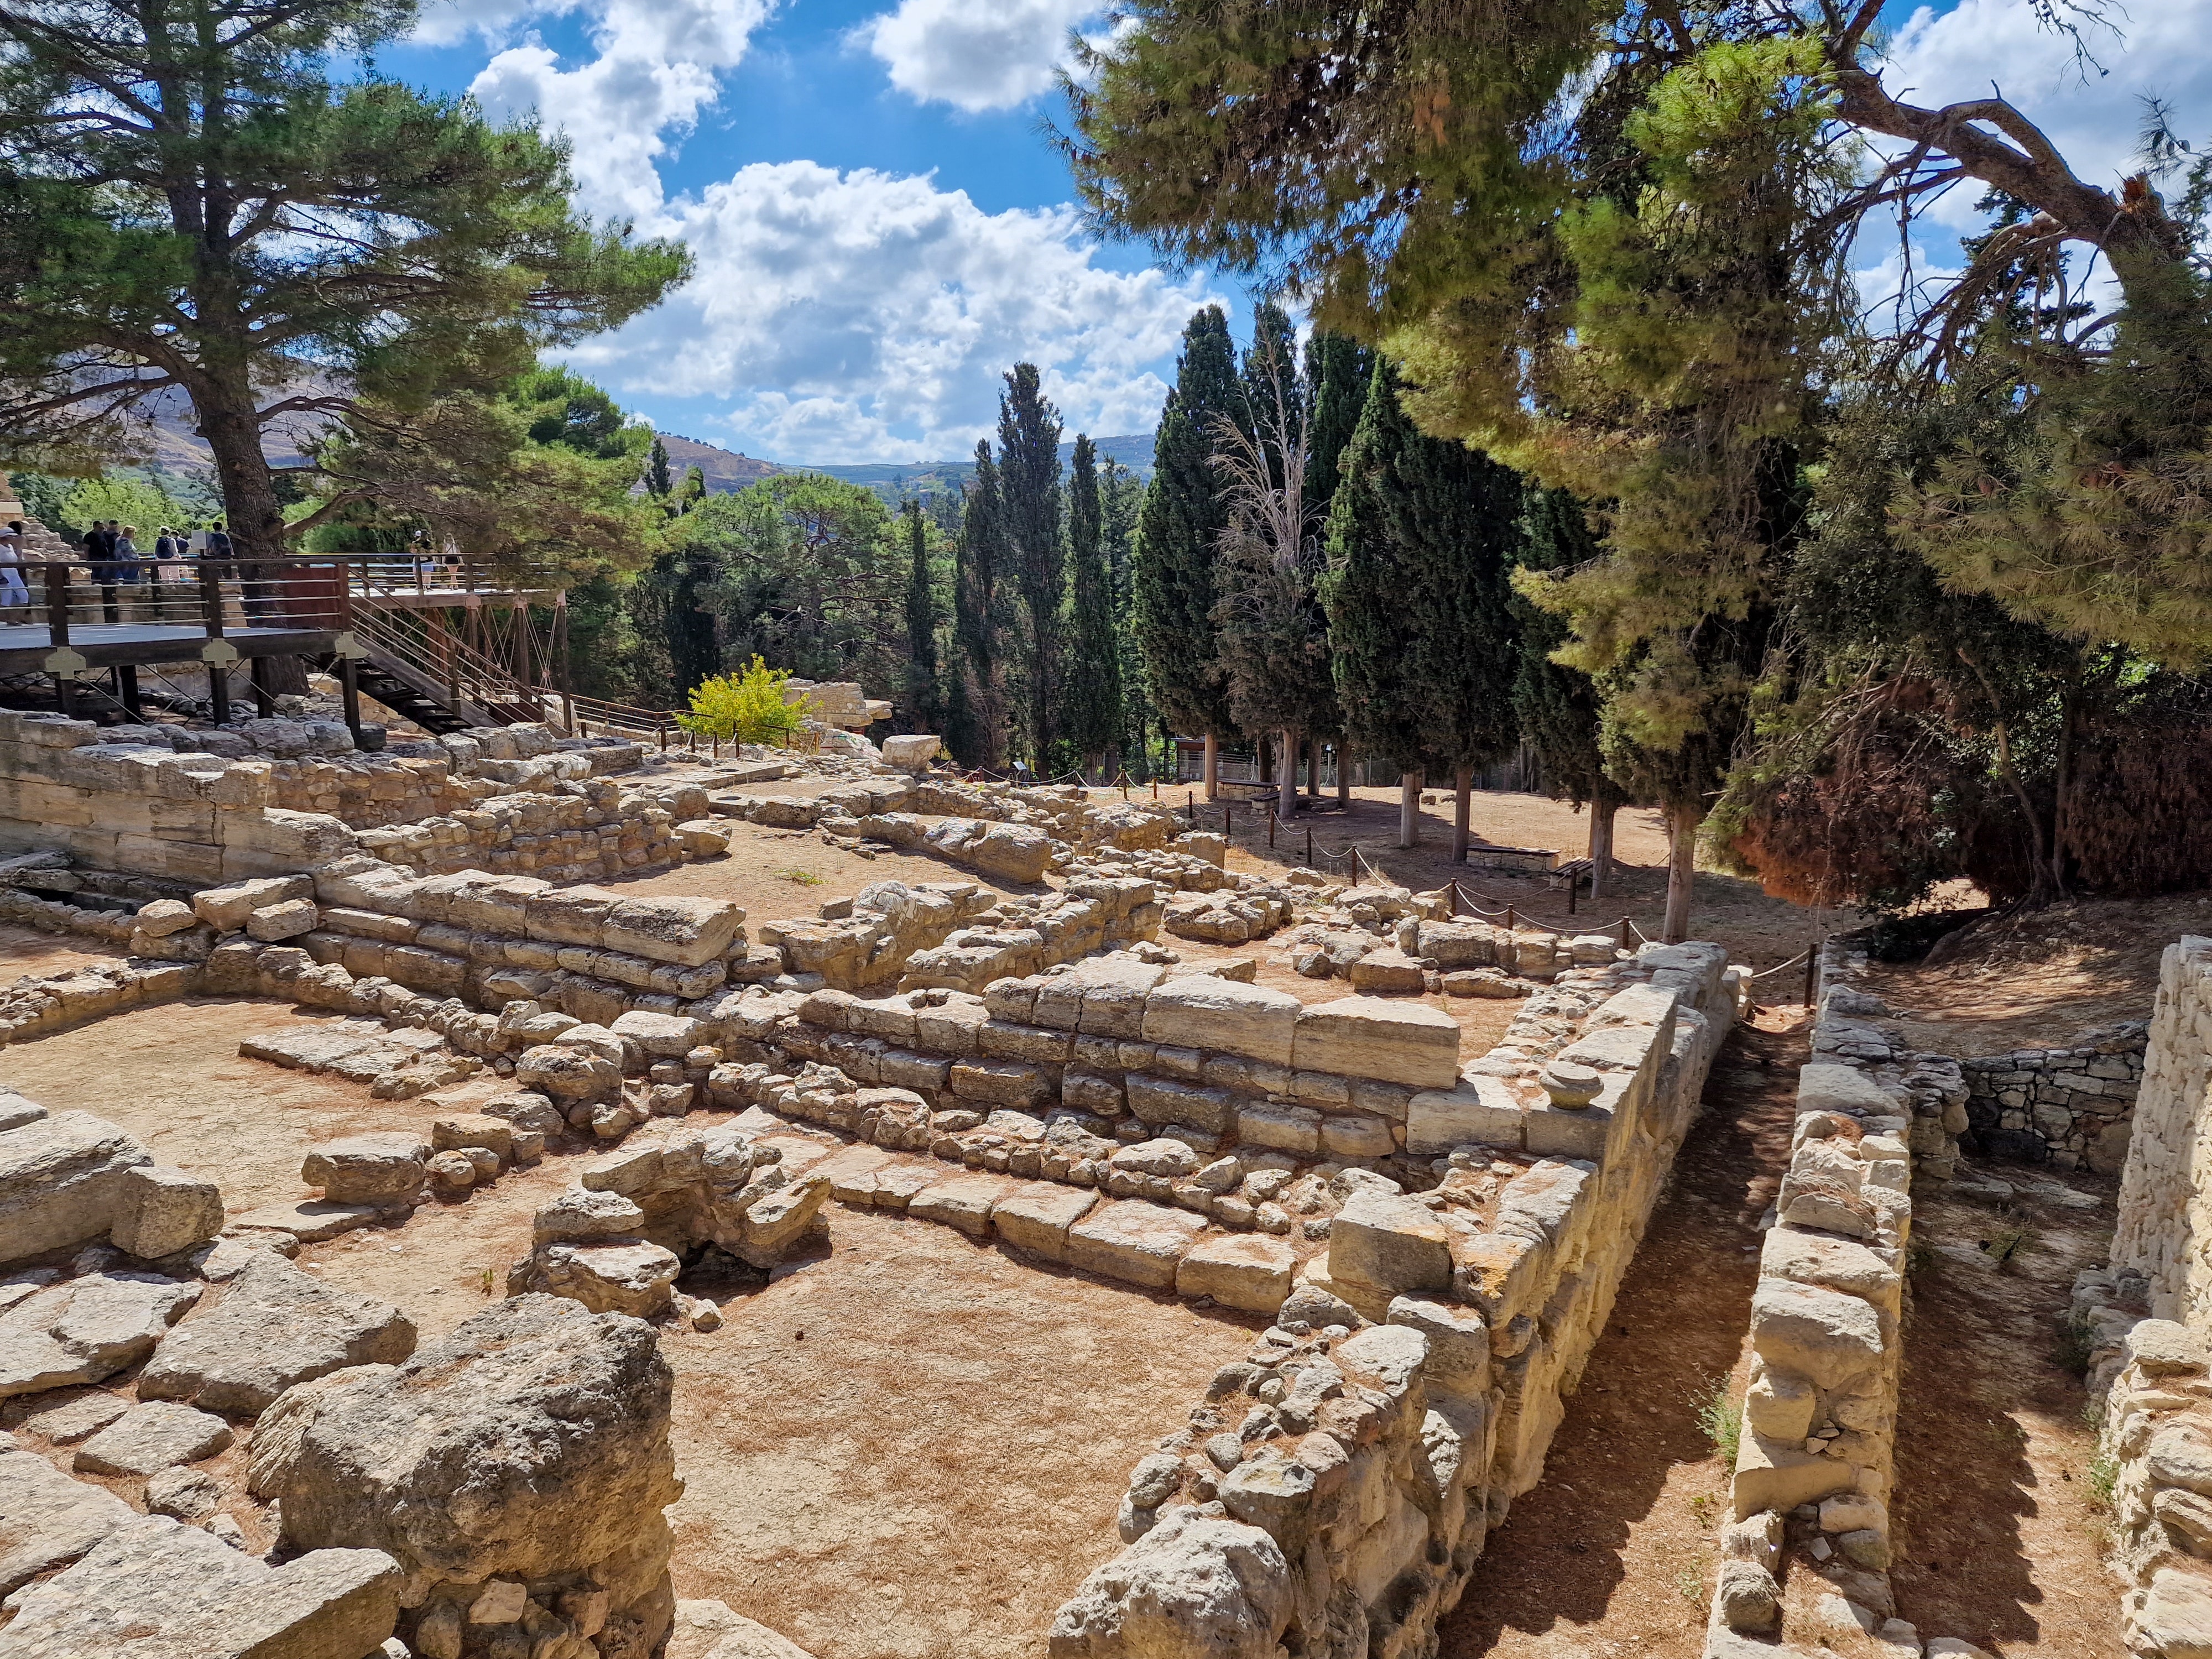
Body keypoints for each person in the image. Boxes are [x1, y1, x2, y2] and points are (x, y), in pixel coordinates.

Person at [151, 525, 181, 620]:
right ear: (168, 532)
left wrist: (156, 558)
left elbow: (155, 550)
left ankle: (165, 588)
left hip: (160, 559)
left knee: (164, 574)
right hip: (171, 558)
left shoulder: (157, 540)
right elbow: (174, 550)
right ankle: (176, 586)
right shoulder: (171, 540)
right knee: (174, 572)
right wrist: (177, 556)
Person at [0, 521, 28, 620]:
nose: (13, 538)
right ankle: (8, 619)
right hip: (4, 574)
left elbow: (16, 560)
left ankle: (17, 617)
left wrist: (19, 549)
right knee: (6, 598)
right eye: (10, 536)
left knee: (24, 596)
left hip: (14, 574)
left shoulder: (11, 547)